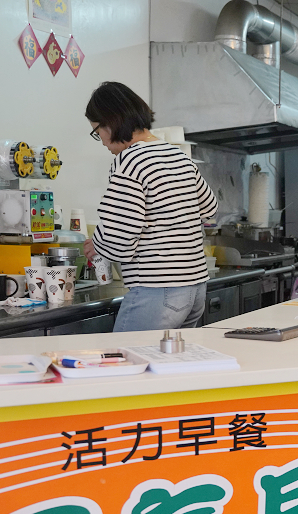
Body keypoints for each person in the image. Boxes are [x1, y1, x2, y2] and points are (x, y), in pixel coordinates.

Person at [83, 82, 218, 332]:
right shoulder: (179, 156)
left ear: (110, 122)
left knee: (124, 363)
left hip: (158, 290)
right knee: (168, 366)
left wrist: (97, 244)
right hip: (196, 289)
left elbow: (120, 236)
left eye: (96, 131)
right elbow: (209, 207)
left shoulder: (130, 161)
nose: (100, 141)